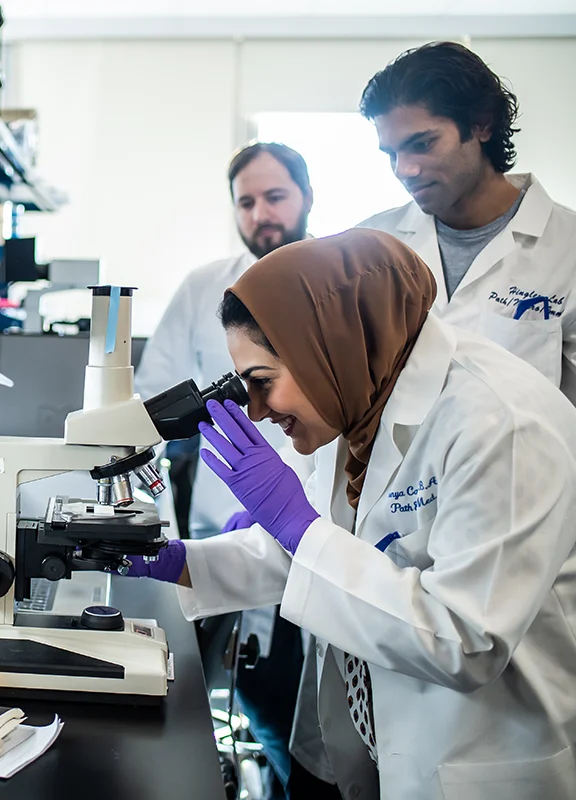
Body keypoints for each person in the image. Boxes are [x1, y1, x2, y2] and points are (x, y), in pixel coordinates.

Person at [130, 228, 576, 799]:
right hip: (369, 743)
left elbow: (465, 638)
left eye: (262, 383)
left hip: (476, 759)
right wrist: (182, 562)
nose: (260, 412)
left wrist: (295, 522)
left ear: (328, 345)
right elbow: (315, 553)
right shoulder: (360, 396)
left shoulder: (501, 424)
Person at [134, 142, 319, 800]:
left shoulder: (341, 283)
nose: (261, 212)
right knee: (265, 712)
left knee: (299, 722)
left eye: (275, 196)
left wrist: (295, 517)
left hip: (318, 526)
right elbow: (150, 407)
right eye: (246, 200)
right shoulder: (205, 286)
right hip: (237, 526)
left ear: (306, 196)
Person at [358, 41, 576, 402]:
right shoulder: (368, 245)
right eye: (392, 153)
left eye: (423, 144)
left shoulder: (567, 248)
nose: (404, 169)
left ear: (482, 125)